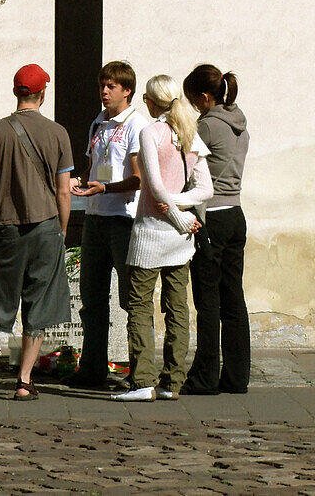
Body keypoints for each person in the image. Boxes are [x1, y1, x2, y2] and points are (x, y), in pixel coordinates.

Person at [0, 64, 73, 402]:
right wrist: (62, 229)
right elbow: (64, 190)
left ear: (16, 92)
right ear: (43, 93)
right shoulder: (58, 133)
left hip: (4, 227)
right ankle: (24, 380)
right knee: (37, 303)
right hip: (46, 226)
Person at [110, 75, 213, 402]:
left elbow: (154, 190)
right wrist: (183, 214)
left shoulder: (151, 132)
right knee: (177, 307)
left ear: (152, 101)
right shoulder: (189, 134)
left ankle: (142, 381)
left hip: (153, 233)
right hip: (179, 238)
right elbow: (204, 189)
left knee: (140, 306)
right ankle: (172, 382)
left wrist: (177, 214)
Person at [68, 61, 148, 388]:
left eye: (111, 86)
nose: (104, 91)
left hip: (123, 220)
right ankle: (92, 369)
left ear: (126, 90)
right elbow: (97, 167)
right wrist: (82, 183)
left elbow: (138, 178)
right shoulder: (98, 122)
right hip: (96, 217)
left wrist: (106, 188)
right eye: (102, 84)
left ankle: (140, 372)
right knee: (92, 297)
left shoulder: (135, 125)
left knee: (132, 300)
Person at [180, 64, 251, 396]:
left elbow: (187, 167)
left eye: (194, 102)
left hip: (212, 218)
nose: (194, 108)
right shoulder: (241, 126)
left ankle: (205, 376)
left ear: (204, 97)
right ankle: (237, 377)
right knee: (233, 298)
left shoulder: (206, 127)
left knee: (207, 300)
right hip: (236, 213)